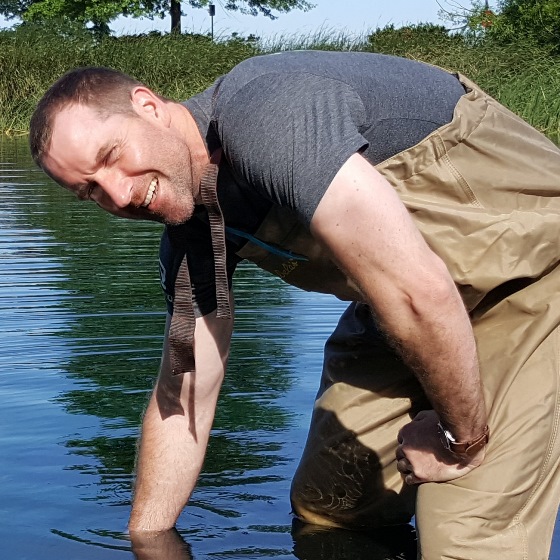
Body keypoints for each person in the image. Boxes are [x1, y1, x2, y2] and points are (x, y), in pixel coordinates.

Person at [29, 50, 560, 559]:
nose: (117, 196)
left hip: (533, 277)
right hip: (411, 307)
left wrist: (459, 440)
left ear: (148, 106)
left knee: (464, 535)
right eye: (90, 191)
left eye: (111, 157)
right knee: (332, 507)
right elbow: (184, 396)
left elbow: (417, 291)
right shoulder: (191, 229)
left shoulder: (267, 115)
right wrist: (147, 542)